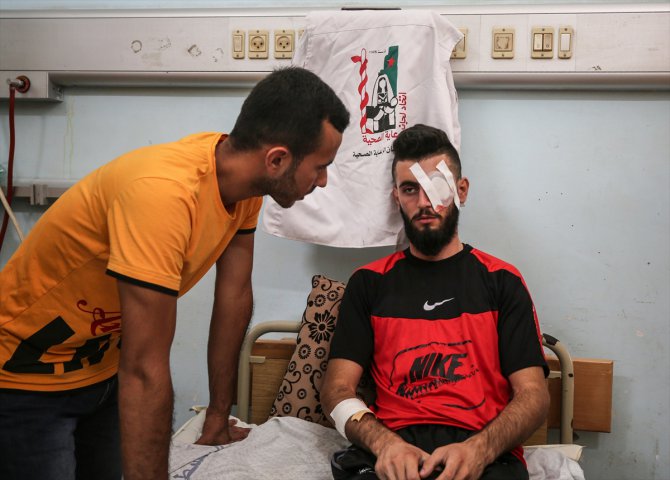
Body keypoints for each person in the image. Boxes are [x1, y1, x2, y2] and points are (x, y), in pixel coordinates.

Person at [0, 66, 350, 480]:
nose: (323, 181)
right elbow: (145, 368)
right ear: (277, 159)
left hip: (100, 369)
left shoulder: (243, 187)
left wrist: (218, 414)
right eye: (321, 166)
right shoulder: (163, 193)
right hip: (23, 377)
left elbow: (234, 298)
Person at [322, 124, 549, 480]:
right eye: (410, 189)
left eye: (437, 186)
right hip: (393, 449)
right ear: (396, 197)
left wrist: (480, 449)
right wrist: (384, 444)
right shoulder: (368, 283)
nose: (424, 203)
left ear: (461, 190)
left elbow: (534, 395)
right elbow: (336, 390)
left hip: (482, 452)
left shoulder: (502, 281)